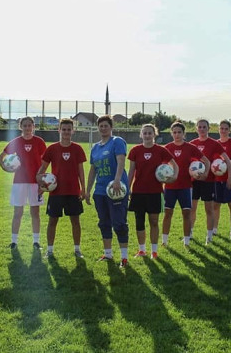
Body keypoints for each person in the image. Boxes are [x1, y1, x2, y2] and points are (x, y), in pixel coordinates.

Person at [36, 118, 87, 259]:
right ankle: (50, 250)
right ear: (59, 130)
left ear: (73, 131)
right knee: (52, 221)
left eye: (69, 129)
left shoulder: (77, 148)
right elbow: (42, 169)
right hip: (56, 192)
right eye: (63, 129)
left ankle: (77, 250)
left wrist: (83, 188)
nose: (66, 132)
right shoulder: (52, 148)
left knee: (75, 221)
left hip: (73, 191)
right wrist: (40, 181)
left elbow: (81, 171)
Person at [85, 115, 130, 268]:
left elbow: (121, 161)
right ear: (98, 128)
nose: (103, 128)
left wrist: (117, 180)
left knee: (119, 223)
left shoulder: (117, 141)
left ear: (111, 127)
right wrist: (88, 190)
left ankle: (124, 257)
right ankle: (108, 254)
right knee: (104, 223)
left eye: (106, 125)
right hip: (100, 191)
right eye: (101, 126)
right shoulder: (95, 148)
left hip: (116, 190)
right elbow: (93, 170)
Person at [128, 124, 178, 259]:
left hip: (155, 192)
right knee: (139, 221)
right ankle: (142, 250)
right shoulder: (135, 150)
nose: (147, 135)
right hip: (138, 191)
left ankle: (154, 251)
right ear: (141, 135)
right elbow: (131, 171)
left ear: (154, 134)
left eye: (150, 133)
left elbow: (175, 165)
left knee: (154, 221)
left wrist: (174, 176)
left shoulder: (161, 150)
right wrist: (128, 188)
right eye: (145, 133)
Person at [0, 116, 46, 250]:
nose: (27, 128)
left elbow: (45, 162)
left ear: (33, 126)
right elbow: (1, 157)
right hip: (19, 182)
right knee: (18, 213)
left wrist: (42, 179)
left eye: (29, 125)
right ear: (21, 127)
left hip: (35, 182)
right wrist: (5, 168)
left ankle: (36, 242)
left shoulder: (39, 142)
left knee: (35, 212)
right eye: (24, 125)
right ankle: (14, 241)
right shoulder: (16, 141)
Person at [162, 121, 209, 249]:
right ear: (171, 133)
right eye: (174, 132)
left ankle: (186, 241)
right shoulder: (166, 148)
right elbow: (160, 166)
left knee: (186, 213)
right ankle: (164, 241)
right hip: (170, 187)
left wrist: (205, 174)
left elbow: (206, 161)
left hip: (185, 187)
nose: (177, 135)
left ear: (184, 133)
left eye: (179, 132)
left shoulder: (191, 148)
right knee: (168, 213)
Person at [190, 119, 231, 244]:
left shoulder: (214, 144)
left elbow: (227, 160)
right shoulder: (192, 144)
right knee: (192, 209)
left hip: (208, 181)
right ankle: (189, 234)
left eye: (204, 127)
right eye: (200, 127)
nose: (202, 129)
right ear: (196, 128)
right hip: (194, 181)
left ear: (208, 128)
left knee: (209, 209)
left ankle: (209, 237)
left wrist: (230, 177)